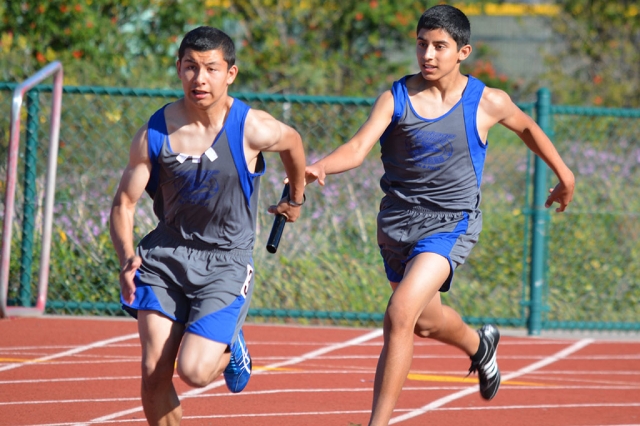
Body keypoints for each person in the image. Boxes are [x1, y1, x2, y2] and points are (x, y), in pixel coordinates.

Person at [305, 5, 574, 425]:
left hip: (450, 222)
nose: (428, 55)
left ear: (462, 51)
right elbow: (356, 150)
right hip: (396, 224)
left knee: (399, 313)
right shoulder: (396, 98)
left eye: (439, 47)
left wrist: (564, 173)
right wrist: (320, 165)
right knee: (424, 323)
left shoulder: (487, 101)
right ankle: (479, 345)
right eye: (421, 44)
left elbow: (527, 128)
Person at [109, 26, 306, 425]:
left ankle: (232, 346)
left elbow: (293, 142)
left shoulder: (253, 127)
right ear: (178, 69)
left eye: (211, 69)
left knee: (195, 371)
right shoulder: (154, 133)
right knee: (154, 372)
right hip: (164, 257)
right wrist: (128, 258)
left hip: (225, 262)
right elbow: (123, 204)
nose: (199, 79)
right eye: (190, 67)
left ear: (230, 73)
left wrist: (295, 197)